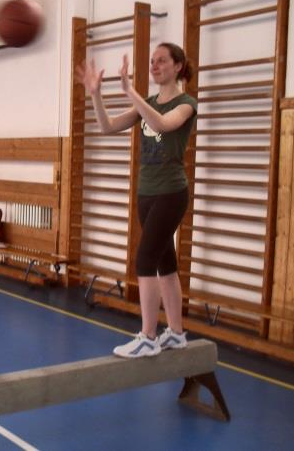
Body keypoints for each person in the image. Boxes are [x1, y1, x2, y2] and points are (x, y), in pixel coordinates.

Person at [76, 42, 197, 358]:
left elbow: (161, 124)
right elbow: (107, 127)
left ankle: (148, 335)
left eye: (161, 61)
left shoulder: (186, 103)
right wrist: (95, 93)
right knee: (164, 263)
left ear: (178, 66)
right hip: (146, 192)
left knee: (144, 259)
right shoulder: (150, 102)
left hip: (171, 192)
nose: (155, 65)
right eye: (152, 61)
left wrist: (131, 91)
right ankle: (176, 333)